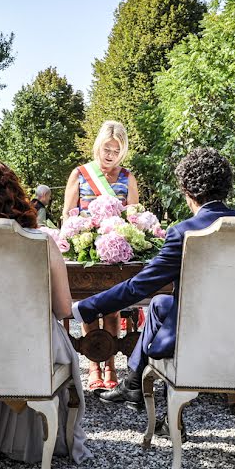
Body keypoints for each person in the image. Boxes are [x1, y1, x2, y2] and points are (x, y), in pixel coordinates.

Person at [72, 148, 235, 436]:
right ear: (227, 187)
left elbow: (139, 286)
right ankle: (134, 383)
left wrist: (84, 308)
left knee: (160, 303)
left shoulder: (184, 232)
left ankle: (137, 386)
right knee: (162, 303)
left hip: (198, 338)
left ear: (187, 192)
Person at [0, 160, 90, 463]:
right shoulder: (41, 240)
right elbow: (62, 308)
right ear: (15, 193)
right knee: (42, 337)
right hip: (30, 348)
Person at [62, 120, 140, 391]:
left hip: (114, 250)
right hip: (86, 250)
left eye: (116, 150)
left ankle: (111, 367)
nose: (110, 155)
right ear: (98, 146)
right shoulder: (81, 174)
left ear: (123, 151)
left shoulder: (128, 177)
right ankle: (94, 365)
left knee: (112, 308)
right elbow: (68, 213)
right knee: (89, 306)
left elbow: (133, 216)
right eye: (107, 148)